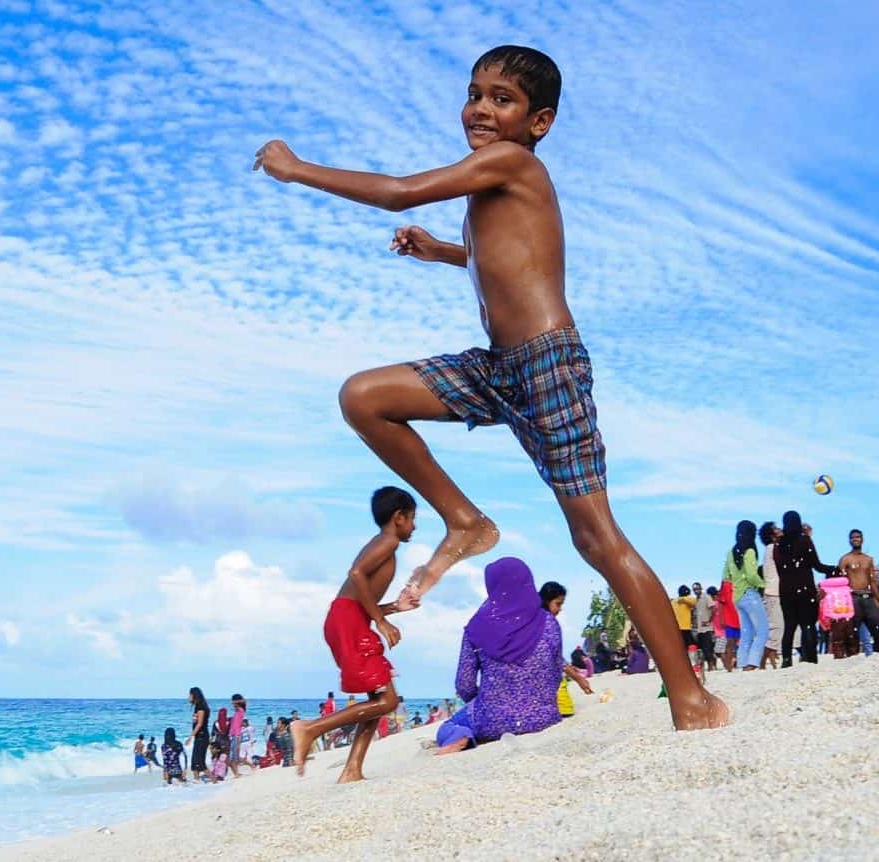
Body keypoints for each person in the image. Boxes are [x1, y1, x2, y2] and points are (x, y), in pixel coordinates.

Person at [254, 45, 726, 731]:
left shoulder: (514, 162)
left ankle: (691, 697)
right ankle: (465, 521)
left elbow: (398, 189)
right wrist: (443, 251)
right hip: (495, 368)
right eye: (474, 92)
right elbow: (504, 257)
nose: (479, 107)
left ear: (539, 122)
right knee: (364, 396)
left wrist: (295, 170)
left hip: (546, 366)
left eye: (500, 98)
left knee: (595, 537)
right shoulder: (490, 183)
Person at [288, 487, 413, 782]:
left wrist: (395, 606)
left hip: (347, 618)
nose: (414, 526)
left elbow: (359, 601)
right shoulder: (388, 541)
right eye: (412, 518)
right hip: (349, 621)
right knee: (388, 701)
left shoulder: (383, 542)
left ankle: (352, 769)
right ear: (398, 517)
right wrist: (382, 623)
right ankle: (310, 729)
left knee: (377, 697)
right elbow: (356, 573)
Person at [436, 557, 566, 754]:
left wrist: (488, 699)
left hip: (492, 720)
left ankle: (462, 737)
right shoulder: (549, 623)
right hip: (545, 717)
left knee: (447, 727)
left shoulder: (477, 626)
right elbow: (556, 674)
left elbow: (464, 685)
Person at [775, 511, 836, 666]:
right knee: (807, 625)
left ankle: (787, 660)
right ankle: (811, 658)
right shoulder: (804, 541)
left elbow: (780, 569)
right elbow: (817, 565)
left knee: (789, 627)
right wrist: (833, 570)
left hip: (786, 592)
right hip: (805, 589)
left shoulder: (778, 545)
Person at [542, 581, 593, 717]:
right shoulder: (548, 622)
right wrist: (578, 679)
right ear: (546, 601)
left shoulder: (533, 620)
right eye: (558, 604)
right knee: (565, 708)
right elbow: (557, 658)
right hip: (551, 682)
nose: (560, 609)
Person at [724, 521, 767, 671]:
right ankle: (752, 663)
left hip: (737, 597)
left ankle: (742, 663)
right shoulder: (749, 551)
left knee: (746, 632)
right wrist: (763, 584)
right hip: (750, 594)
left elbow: (726, 576)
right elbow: (751, 575)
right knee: (762, 631)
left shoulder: (730, 553)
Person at [838, 529, 879, 655]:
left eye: (858, 537)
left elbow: (872, 581)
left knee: (878, 629)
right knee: (852, 633)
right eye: (853, 537)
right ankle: (851, 659)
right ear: (849, 540)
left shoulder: (868, 559)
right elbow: (841, 582)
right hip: (853, 597)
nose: (856, 539)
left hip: (868, 597)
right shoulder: (845, 559)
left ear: (862, 539)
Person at [760, 522, 784, 668]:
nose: (779, 529)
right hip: (773, 593)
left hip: (776, 592)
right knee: (777, 628)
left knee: (778, 628)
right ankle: (761, 661)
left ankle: (768, 660)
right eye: (776, 528)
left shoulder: (773, 548)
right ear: (771, 535)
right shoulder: (772, 548)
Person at [818, 574, 858, 659]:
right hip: (848, 615)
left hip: (834, 618)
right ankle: (852, 654)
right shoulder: (846, 588)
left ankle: (839, 656)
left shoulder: (824, 589)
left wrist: (824, 621)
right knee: (850, 637)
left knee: (837, 639)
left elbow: (821, 603)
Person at [184, 687, 210, 782]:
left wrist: (191, 737)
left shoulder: (201, 707)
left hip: (202, 736)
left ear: (194, 695)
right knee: (195, 762)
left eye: (190, 695)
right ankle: (196, 780)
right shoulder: (197, 706)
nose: (188, 697)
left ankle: (214, 779)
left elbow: (200, 723)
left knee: (200, 762)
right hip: (199, 736)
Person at [713, 580, 739, 672]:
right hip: (729, 621)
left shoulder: (737, 586)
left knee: (733, 646)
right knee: (730, 645)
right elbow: (720, 605)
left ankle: (732, 665)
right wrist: (721, 619)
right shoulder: (726, 585)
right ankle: (729, 667)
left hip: (736, 619)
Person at [692, 582, 717, 672]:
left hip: (707, 628)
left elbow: (713, 608)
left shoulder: (706, 597)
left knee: (707, 648)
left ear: (701, 588)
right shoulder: (696, 600)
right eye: (694, 589)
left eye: (698, 588)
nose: (696, 591)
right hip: (699, 628)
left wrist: (709, 621)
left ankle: (711, 666)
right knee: (703, 648)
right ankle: (710, 664)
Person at [228, 695, 249, 777]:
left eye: (233, 701)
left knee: (234, 756)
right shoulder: (236, 712)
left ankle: (236, 774)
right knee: (234, 755)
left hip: (237, 735)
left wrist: (236, 701)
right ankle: (237, 773)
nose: (232, 704)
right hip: (233, 736)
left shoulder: (241, 710)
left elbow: (245, 701)